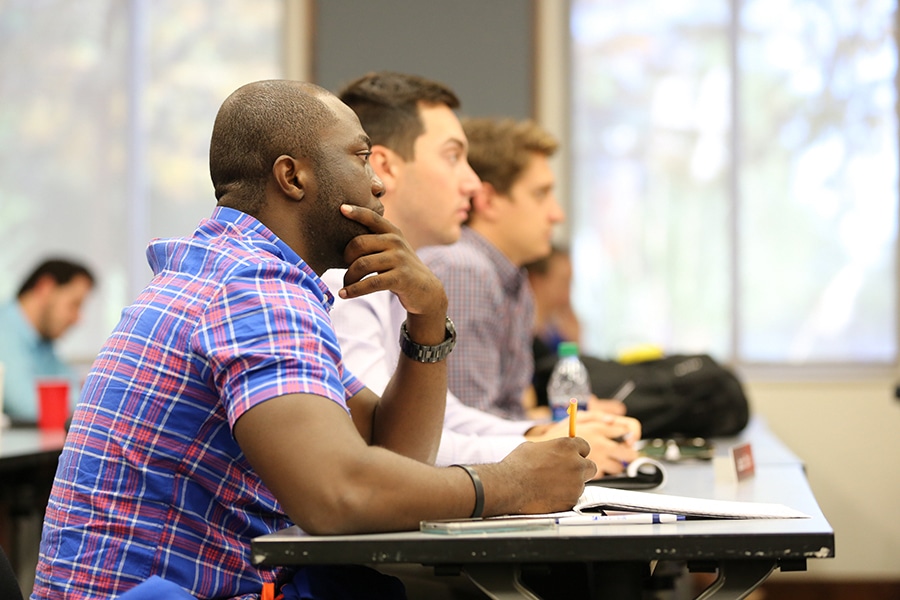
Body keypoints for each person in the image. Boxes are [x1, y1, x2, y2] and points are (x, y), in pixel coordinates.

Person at [31, 80, 597, 600]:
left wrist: (428, 318)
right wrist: (510, 484)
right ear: (293, 176)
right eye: (359, 156)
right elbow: (340, 495)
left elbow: (389, 451)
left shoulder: (239, 273)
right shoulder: (252, 288)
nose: (376, 182)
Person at [329, 71, 639, 472]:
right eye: (453, 156)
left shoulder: (392, 276)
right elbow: (388, 444)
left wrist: (540, 435)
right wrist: (538, 450)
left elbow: (444, 416)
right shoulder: (343, 282)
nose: (472, 182)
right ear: (385, 167)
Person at [419, 117, 627, 422]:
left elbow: (503, 415)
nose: (557, 214)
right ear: (488, 200)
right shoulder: (464, 269)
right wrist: (560, 429)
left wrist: (565, 422)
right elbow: (465, 428)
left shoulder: (512, 278)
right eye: (540, 194)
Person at [0, 258, 94, 424]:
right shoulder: (4, 329)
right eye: (74, 304)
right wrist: (97, 401)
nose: (78, 318)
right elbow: (24, 403)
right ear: (45, 288)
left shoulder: (43, 342)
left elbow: (73, 386)